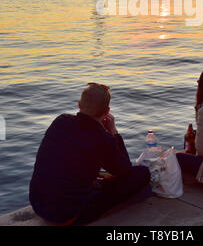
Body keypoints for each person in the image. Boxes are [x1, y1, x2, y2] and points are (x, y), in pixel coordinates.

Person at [29, 83, 151, 225]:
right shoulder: (103, 138)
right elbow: (125, 170)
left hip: (38, 204)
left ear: (79, 105)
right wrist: (114, 133)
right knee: (142, 174)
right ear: (107, 111)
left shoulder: (60, 121)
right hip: (67, 214)